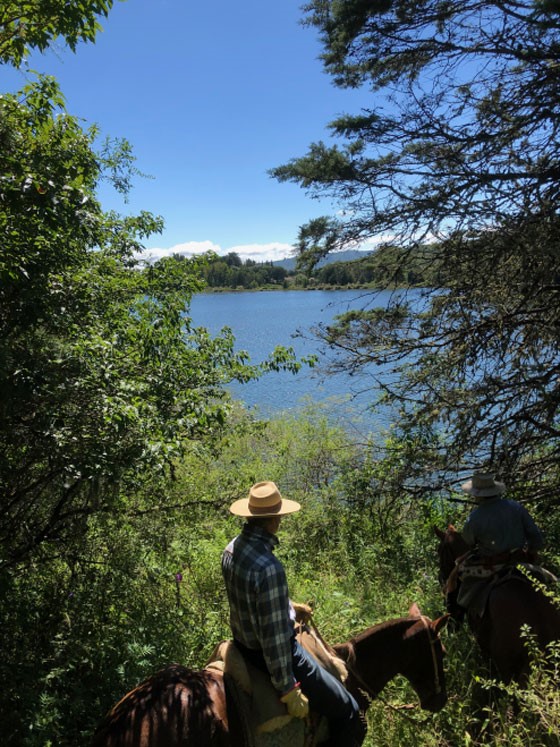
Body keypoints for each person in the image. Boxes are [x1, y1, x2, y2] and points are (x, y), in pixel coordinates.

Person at [222, 480, 364, 747]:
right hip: (270, 656)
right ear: (274, 520)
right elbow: (275, 641)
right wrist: (288, 689)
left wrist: (289, 606)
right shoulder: (269, 567)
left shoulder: (231, 549)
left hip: (241, 645)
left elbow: (253, 599)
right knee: (349, 711)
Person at [460, 472, 544, 560]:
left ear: (477, 495)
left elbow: (467, 542)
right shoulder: (515, 507)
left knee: (459, 568)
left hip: (490, 563)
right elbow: (534, 533)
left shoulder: (474, 518)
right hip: (518, 557)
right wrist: (532, 551)